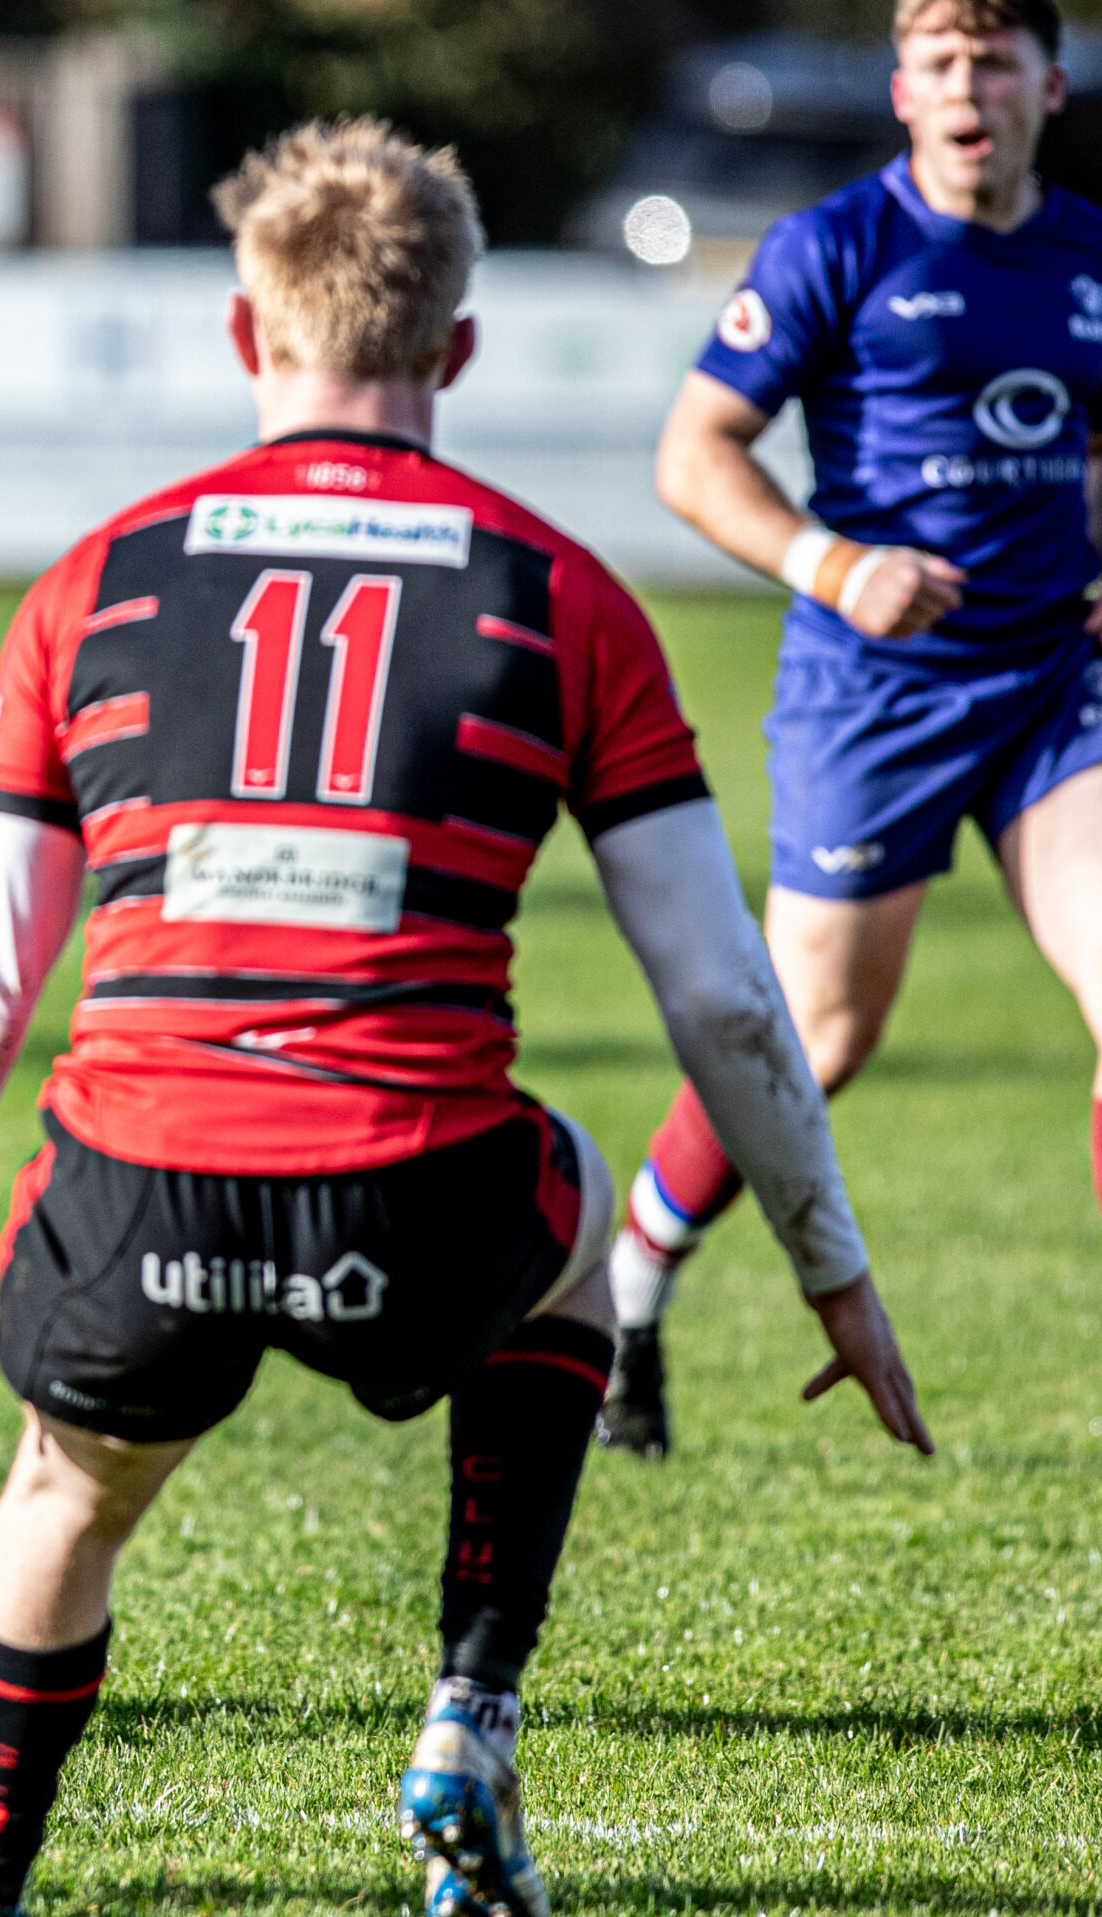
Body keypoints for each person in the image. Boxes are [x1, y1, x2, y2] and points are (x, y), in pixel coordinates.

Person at [0, 120, 933, 1917]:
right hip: (421, 1194)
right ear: (460, 345)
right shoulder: (563, 595)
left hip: (145, 1182)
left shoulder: (93, 583)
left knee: (64, 1499)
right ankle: (470, 1713)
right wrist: (833, 1265)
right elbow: (725, 994)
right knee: (577, 1234)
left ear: (244, 332)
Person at [600, 0, 1102, 1457]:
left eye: (993, 60)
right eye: (940, 62)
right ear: (901, 91)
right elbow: (694, 452)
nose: (967, 86)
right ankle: (631, 1287)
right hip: (876, 694)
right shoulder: (834, 246)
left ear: (1047, 85)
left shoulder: (1087, 254)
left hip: (1053, 691)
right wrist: (832, 565)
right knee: (815, 1038)